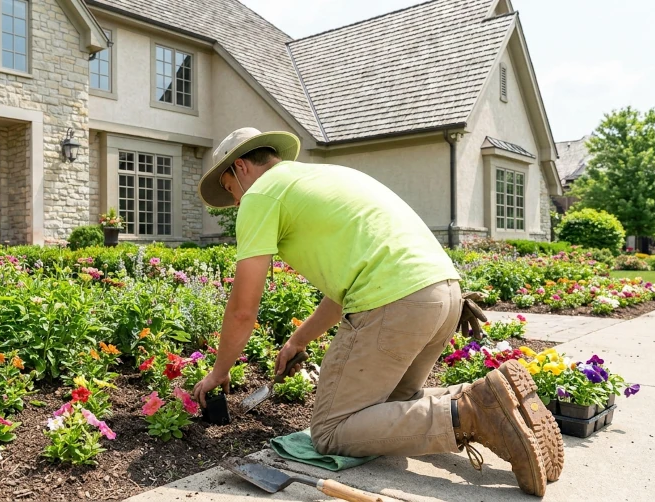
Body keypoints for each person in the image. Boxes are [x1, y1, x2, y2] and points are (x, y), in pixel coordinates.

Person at [191, 128, 562, 496]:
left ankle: (473, 413)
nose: (236, 202)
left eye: (229, 189)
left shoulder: (260, 194)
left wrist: (218, 373)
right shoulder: (326, 176)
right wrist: (297, 340)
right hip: (443, 294)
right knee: (388, 409)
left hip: (397, 304)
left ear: (241, 168)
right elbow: (342, 293)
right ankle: (497, 398)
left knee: (332, 431)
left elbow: (243, 310)